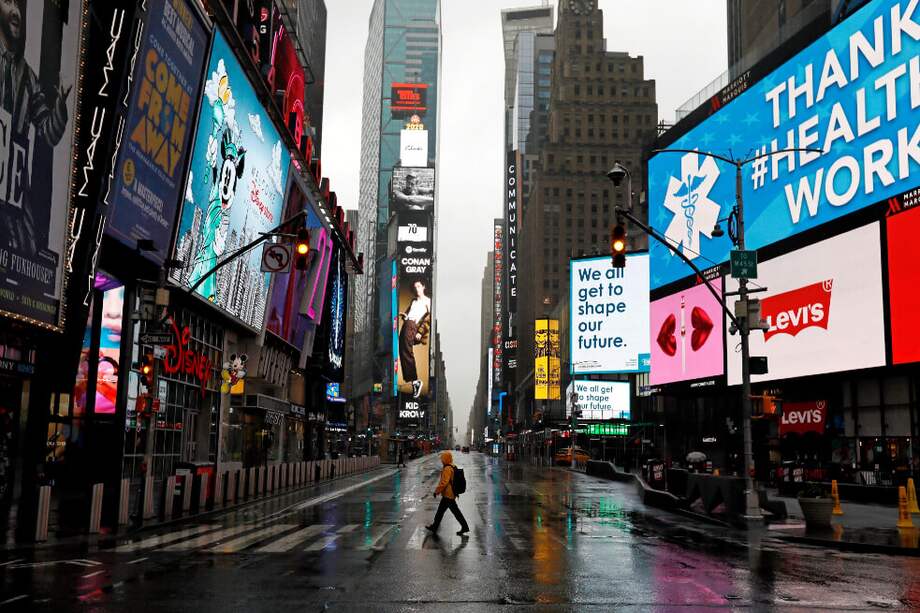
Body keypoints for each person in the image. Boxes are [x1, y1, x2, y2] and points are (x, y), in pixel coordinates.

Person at [398, 279, 431, 399]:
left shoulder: (428, 301)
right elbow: (409, 314)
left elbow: (428, 319)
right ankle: (413, 381)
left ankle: (415, 381)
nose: (416, 288)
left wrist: (420, 332)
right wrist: (405, 316)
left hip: (413, 326)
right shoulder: (413, 301)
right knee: (403, 350)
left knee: (406, 351)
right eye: (414, 287)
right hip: (407, 324)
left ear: (423, 287)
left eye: (418, 286)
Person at [426, 451, 469, 536]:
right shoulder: (452, 466)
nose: (442, 460)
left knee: (455, 512)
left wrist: (436, 491)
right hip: (449, 494)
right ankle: (435, 526)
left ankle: (465, 527)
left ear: (446, 459)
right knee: (440, 511)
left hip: (448, 495)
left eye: (442, 458)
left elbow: (444, 482)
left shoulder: (447, 468)